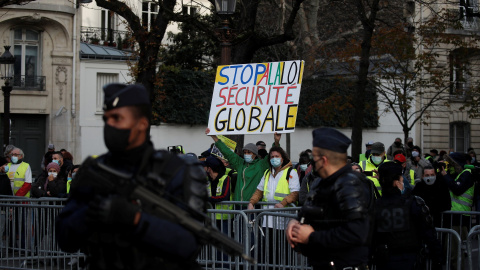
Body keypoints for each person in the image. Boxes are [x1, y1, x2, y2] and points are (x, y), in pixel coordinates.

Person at [56, 83, 207, 269]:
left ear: (142, 124)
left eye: (117, 118)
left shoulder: (177, 171)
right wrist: (92, 211)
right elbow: (65, 239)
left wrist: (135, 219)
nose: (110, 125)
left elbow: (188, 244)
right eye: (107, 119)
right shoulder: (94, 170)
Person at [286, 127, 375, 270]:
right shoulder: (321, 183)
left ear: (323, 160)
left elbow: (356, 233)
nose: (311, 163)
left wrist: (312, 237)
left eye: (314, 158)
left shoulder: (350, 184)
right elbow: (309, 213)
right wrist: (294, 224)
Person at [373, 162, 442, 270]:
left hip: (385, 261)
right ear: (396, 182)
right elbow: (429, 234)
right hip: (410, 260)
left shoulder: (374, 206)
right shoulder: (414, 203)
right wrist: (438, 260)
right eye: (401, 178)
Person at [205, 128, 280, 204]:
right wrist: (214, 137)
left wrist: (276, 142)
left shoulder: (261, 165)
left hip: (253, 205)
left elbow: (272, 154)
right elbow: (227, 152)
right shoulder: (240, 164)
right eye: (245, 152)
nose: (246, 154)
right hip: (238, 205)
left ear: (255, 154)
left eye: (249, 152)